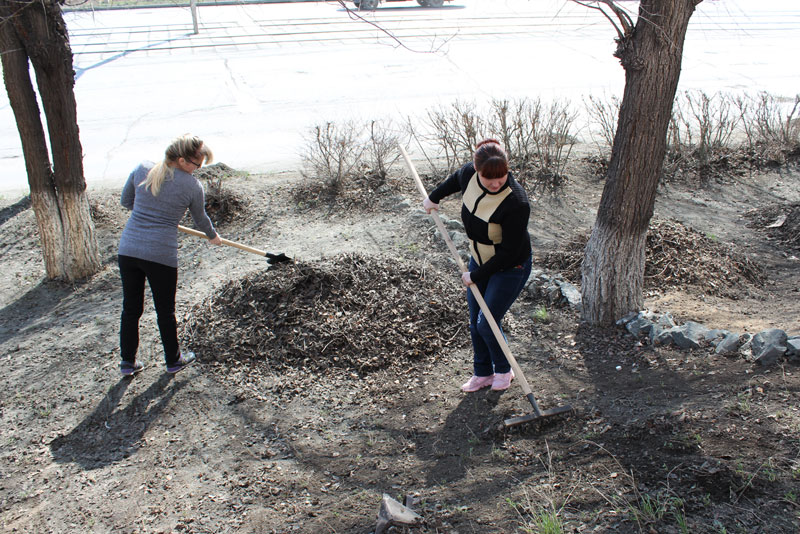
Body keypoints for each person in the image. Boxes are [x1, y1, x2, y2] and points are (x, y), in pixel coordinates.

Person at [423, 139, 532, 392]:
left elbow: (509, 252)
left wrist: (476, 275)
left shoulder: (516, 202)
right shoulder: (469, 173)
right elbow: (454, 180)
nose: (495, 183)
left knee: (487, 322)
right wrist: (433, 197)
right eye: (488, 178)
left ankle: (504, 370)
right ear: (476, 169)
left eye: (501, 176)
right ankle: (482, 373)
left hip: (510, 267)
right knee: (475, 321)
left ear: (507, 169)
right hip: (479, 259)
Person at [117, 134, 222, 376]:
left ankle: (127, 363)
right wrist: (212, 236)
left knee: (131, 309)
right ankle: (173, 361)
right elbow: (200, 218)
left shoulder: (143, 168)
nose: (197, 171)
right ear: (183, 160)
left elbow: (126, 202)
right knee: (165, 310)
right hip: (160, 255)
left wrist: (150, 210)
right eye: (197, 166)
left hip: (129, 250)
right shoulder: (191, 186)